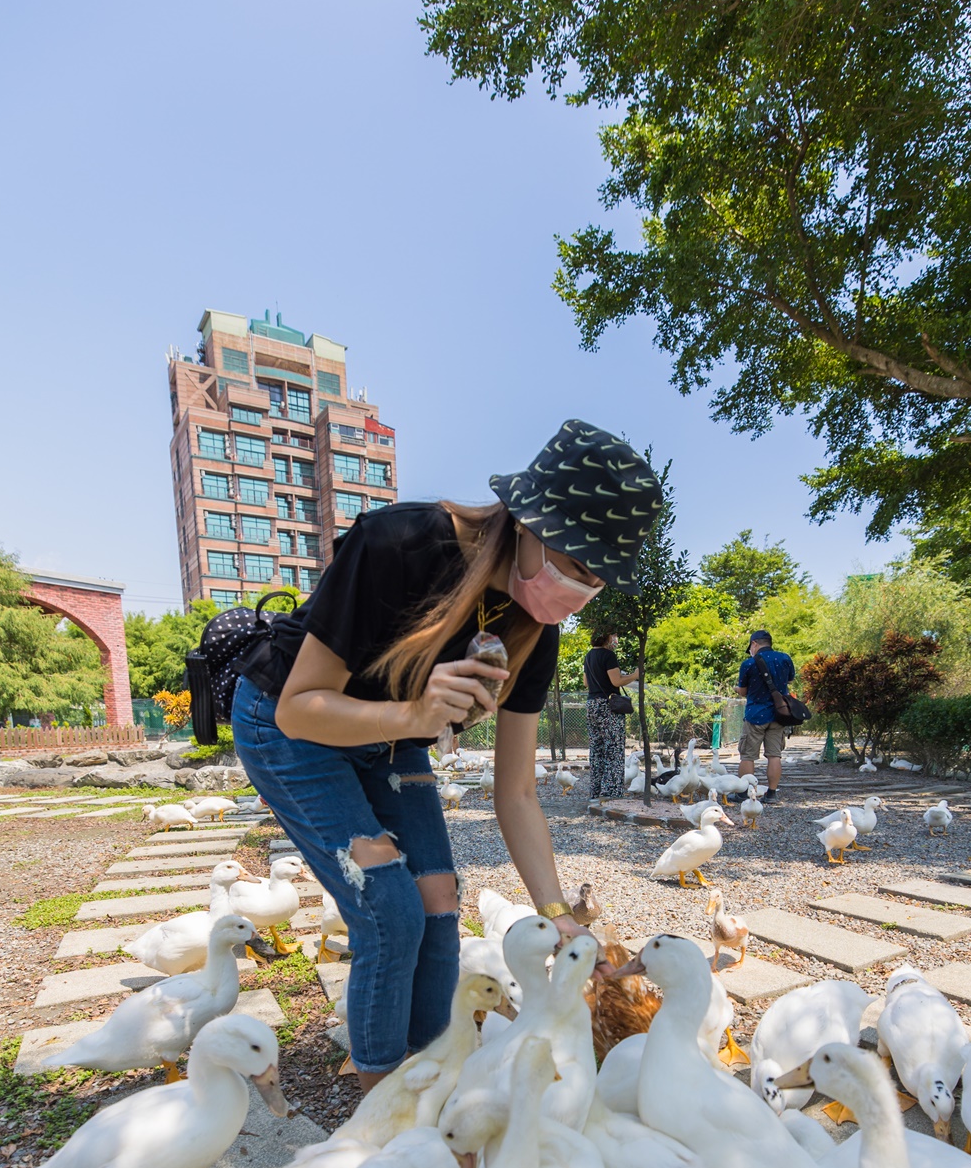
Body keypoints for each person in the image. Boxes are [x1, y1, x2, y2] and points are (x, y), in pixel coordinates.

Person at [231, 419, 662, 1092]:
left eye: (598, 581)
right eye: (577, 567)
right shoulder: (401, 544)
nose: (580, 593)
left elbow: (516, 792)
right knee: (390, 912)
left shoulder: (536, 630)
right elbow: (299, 706)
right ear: (530, 521)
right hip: (290, 722)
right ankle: (386, 1116)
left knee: (439, 901)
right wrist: (414, 716)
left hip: (390, 737)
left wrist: (557, 914)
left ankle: (431, 1080)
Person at [736, 628, 799, 801]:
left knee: (748, 755)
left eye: (750, 647)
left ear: (754, 644)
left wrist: (737, 689)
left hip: (755, 715)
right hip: (779, 715)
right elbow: (790, 680)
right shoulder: (785, 658)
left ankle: (744, 793)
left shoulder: (749, 664)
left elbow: (743, 691)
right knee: (774, 755)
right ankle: (771, 793)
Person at [584, 630, 639, 800]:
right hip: (608, 706)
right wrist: (635, 675)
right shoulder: (608, 655)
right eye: (613, 636)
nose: (615, 639)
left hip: (592, 704)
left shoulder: (588, 656)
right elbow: (617, 681)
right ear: (607, 637)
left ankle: (596, 790)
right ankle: (611, 792)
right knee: (613, 748)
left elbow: (586, 682)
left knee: (597, 749)